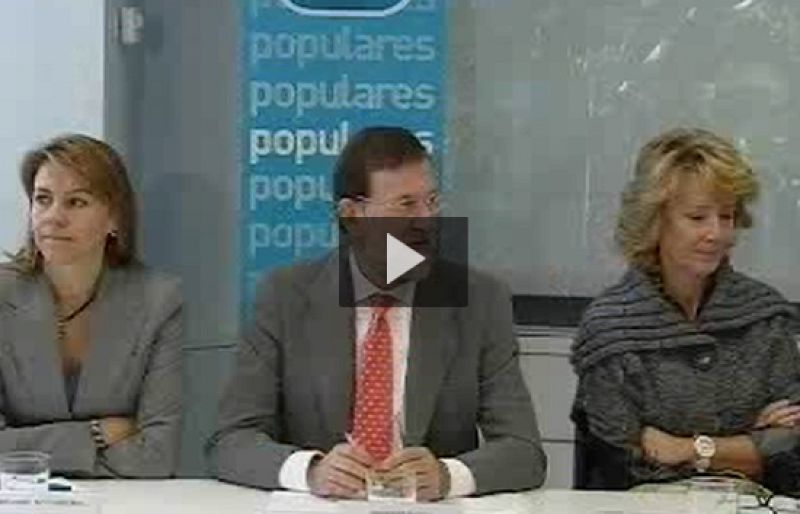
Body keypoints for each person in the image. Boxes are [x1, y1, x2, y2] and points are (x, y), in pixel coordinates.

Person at [208, 126, 546, 500]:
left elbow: (524, 452)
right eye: (406, 205)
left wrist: (447, 476)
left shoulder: (479, 300)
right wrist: (312, 470)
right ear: (352, 215)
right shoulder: (285, 296)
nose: (427, 221)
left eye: (432, 201)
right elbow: (230, 441)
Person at [571, 127, 800, 493]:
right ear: (655, 221)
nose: (716, 234)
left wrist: (686, 449)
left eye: (726, 217)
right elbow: (627, 466)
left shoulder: (767, 317)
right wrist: (750, 444)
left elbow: (791, 455)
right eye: (697, 218)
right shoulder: (610, 328)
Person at [0, 134, 183, 477]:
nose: (53, 217)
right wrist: (96, 434)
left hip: (125, 501)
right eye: (43, 199)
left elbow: (157, 455)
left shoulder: (158, 300)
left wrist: (26, 451)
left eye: (76, 202)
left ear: (114, 218)